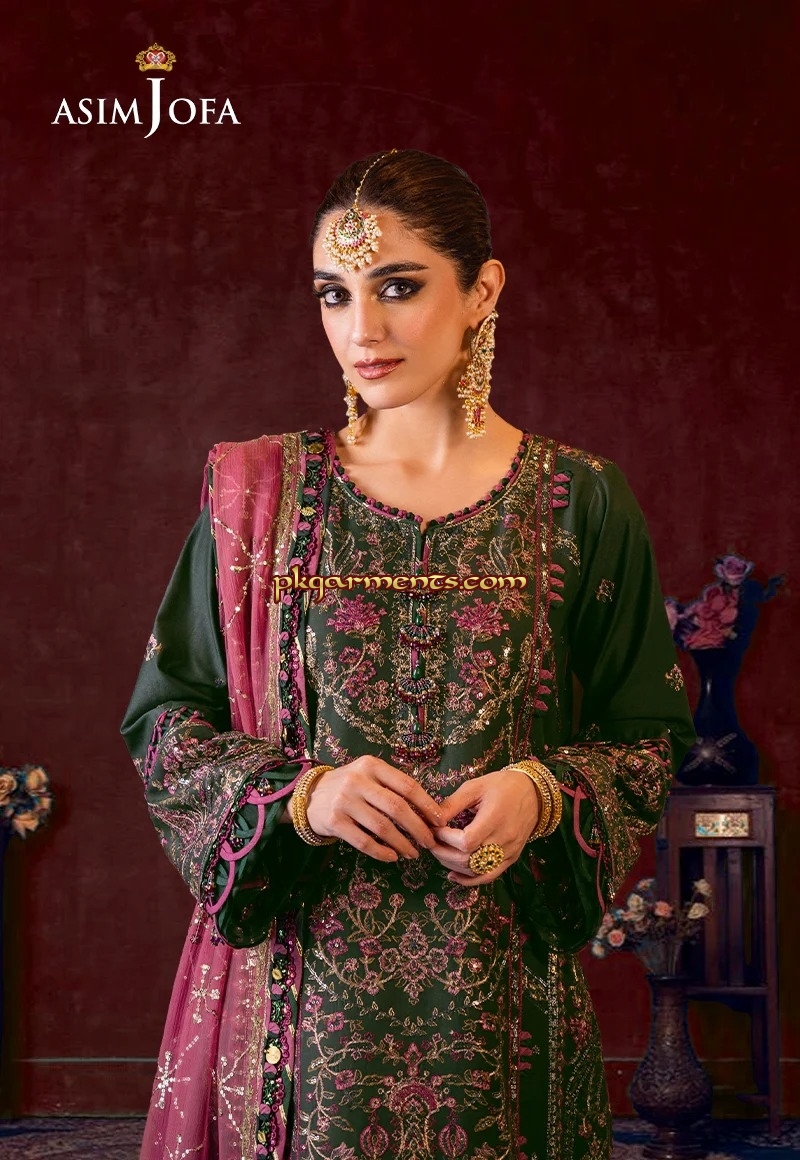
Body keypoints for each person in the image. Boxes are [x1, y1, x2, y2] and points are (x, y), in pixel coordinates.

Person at [122, 148, 695, 1160]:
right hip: (292, 1024)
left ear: (482, 291)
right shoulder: (255, 496)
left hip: (504, 1014)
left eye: (397, 287)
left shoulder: (581, 501)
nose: (362, 331)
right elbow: (166, 723)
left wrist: (541, 794)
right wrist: (304, 796)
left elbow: (646, 736)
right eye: (333, 294)